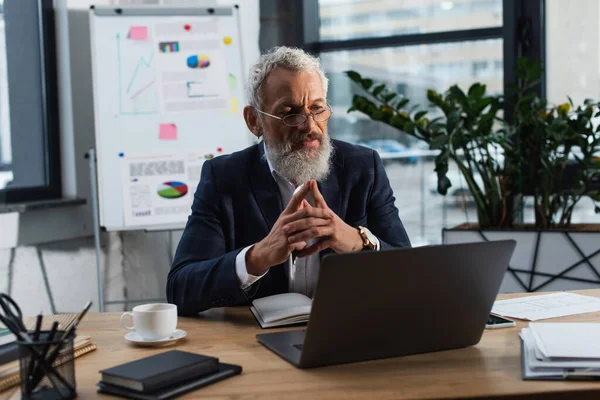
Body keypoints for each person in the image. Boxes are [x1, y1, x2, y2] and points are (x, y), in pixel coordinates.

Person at [167, 46, 411, 315]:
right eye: (289, 112)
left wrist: (356, 240)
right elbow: (181, 288)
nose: (309, 125)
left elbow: (410, 272)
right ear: (254, 121)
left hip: (347, 332)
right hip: (253, 343)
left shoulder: (363, 167)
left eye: (317, 109)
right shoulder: (224, 177)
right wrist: (257, 257)